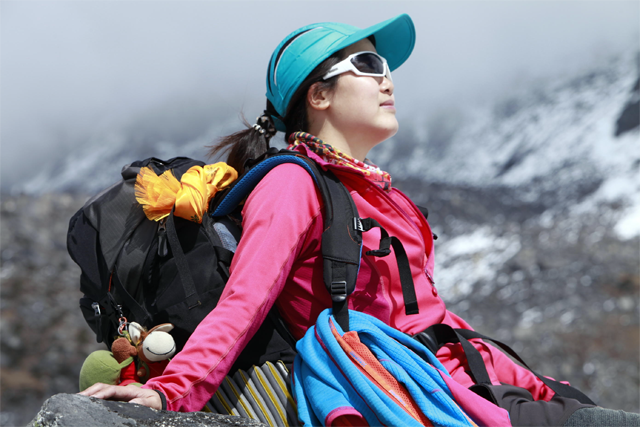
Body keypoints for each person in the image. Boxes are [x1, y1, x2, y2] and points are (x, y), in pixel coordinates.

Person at [81, 14, 640, 427]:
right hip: (410, 389)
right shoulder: (292, 184)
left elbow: (435, 318)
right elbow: (244, 302)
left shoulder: (374, 191)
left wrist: (535, 383)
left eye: (386, 66)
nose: (387, 79)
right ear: (318, 95)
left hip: (465, 378)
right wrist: (171, 392)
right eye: (368, 65)